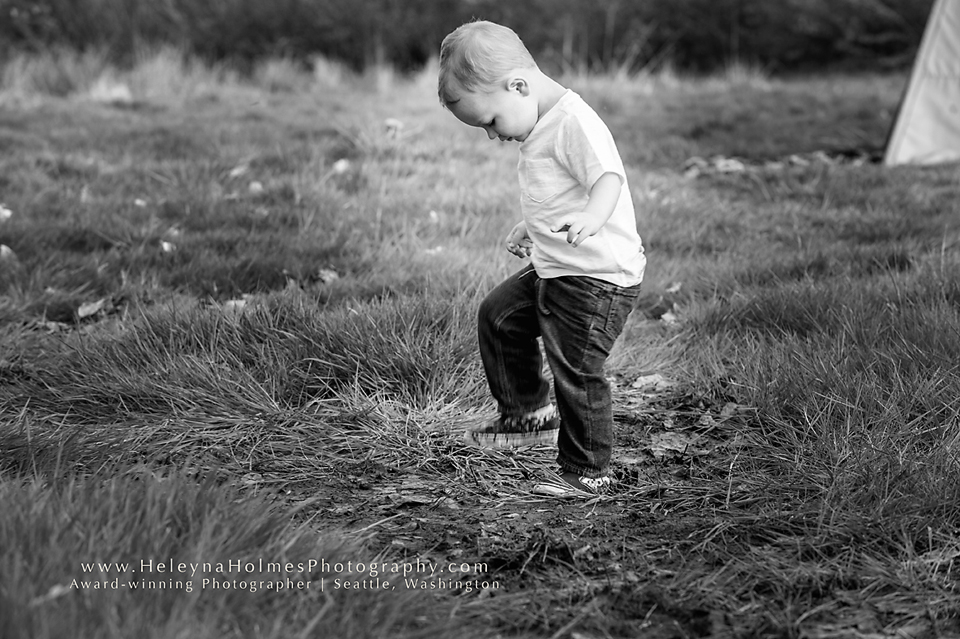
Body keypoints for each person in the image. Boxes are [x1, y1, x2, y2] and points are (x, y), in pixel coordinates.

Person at [438, 20, 645, 498]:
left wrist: (594, 216)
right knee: (500, 315)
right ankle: (529, 414)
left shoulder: (574, 121)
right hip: (558, 265)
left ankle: (586, 470)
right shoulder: (537, 120)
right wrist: (529, 225)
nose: (492, 136)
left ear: (518, 86)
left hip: (596, 276)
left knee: (574, 367)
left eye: (491, 122)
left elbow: (607, 177)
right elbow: (554, 191)